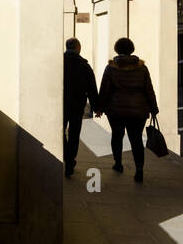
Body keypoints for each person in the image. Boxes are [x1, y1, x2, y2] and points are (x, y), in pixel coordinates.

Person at [98, 37, 158, 183]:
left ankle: (118, 163)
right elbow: (148, 89)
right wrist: (154, 107)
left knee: (117, 136)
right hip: (138, 110)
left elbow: (105, 89)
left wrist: (99, 107)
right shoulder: (142, 68)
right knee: (136, 139)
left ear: (117, 49)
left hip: (116, 110)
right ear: (132, 49)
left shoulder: (111, 67)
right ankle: (139, 169)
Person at [62, 37, 98, 177]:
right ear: (78, 48)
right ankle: (70, 158)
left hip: (62, 104)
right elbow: (92, 88)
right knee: (74, 133)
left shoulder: (59, 62)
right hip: (77, 105)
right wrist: (96, 106)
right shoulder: (84, 66)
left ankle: (66, 155)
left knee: (60, 131)